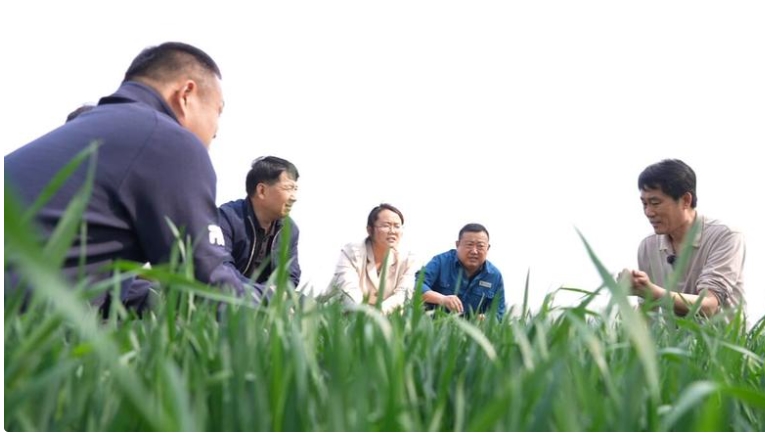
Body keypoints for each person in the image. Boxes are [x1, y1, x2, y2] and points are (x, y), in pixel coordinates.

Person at [5, 42, 255, 311]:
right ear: (186, 94)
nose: (216, 130)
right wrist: (273, 299)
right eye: (218, 111)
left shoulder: (90, 132)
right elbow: (205, 286)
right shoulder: (168, 140)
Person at [622, 159, 745, 318]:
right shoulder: (648, 246)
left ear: (686, 200)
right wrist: (636, 288)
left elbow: (709, 306)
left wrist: (652, 292)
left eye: (655, 202)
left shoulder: (725, 236)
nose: (649, 212)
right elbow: (648, 314)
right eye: (644, 204)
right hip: (674, 336)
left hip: (721, 335)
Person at [218, 156, 301, 294]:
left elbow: (290, 276)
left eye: (295, 189)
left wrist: (269, 294)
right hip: (229, 296)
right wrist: (262, 293)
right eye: (288, 188)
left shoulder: (290, 229)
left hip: (268, 299)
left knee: (307, 302)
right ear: (262, 191)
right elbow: (221, 269)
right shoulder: (227, 218)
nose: (294, 197)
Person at [326, 203, 420, 314]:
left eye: (397, 226)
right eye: (386, 225)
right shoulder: (351, 252)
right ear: (370, 230)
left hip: (384, 318)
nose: (392, 231)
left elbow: (402, 295)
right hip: (344, 314)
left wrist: (376, 314)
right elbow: (348, 291)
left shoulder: (408, 260)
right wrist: (368, 314)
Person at [417, 223, 506, 319]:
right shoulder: (441, 262)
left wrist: (485, 319)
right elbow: (418, 287)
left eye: (480, 246)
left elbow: (499, 313)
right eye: (469, 245)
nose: (474, 251)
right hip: (435, 323)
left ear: (488, 248)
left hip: (472, 327)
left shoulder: (494, 276)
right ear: (457, 245)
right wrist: (443, 299)